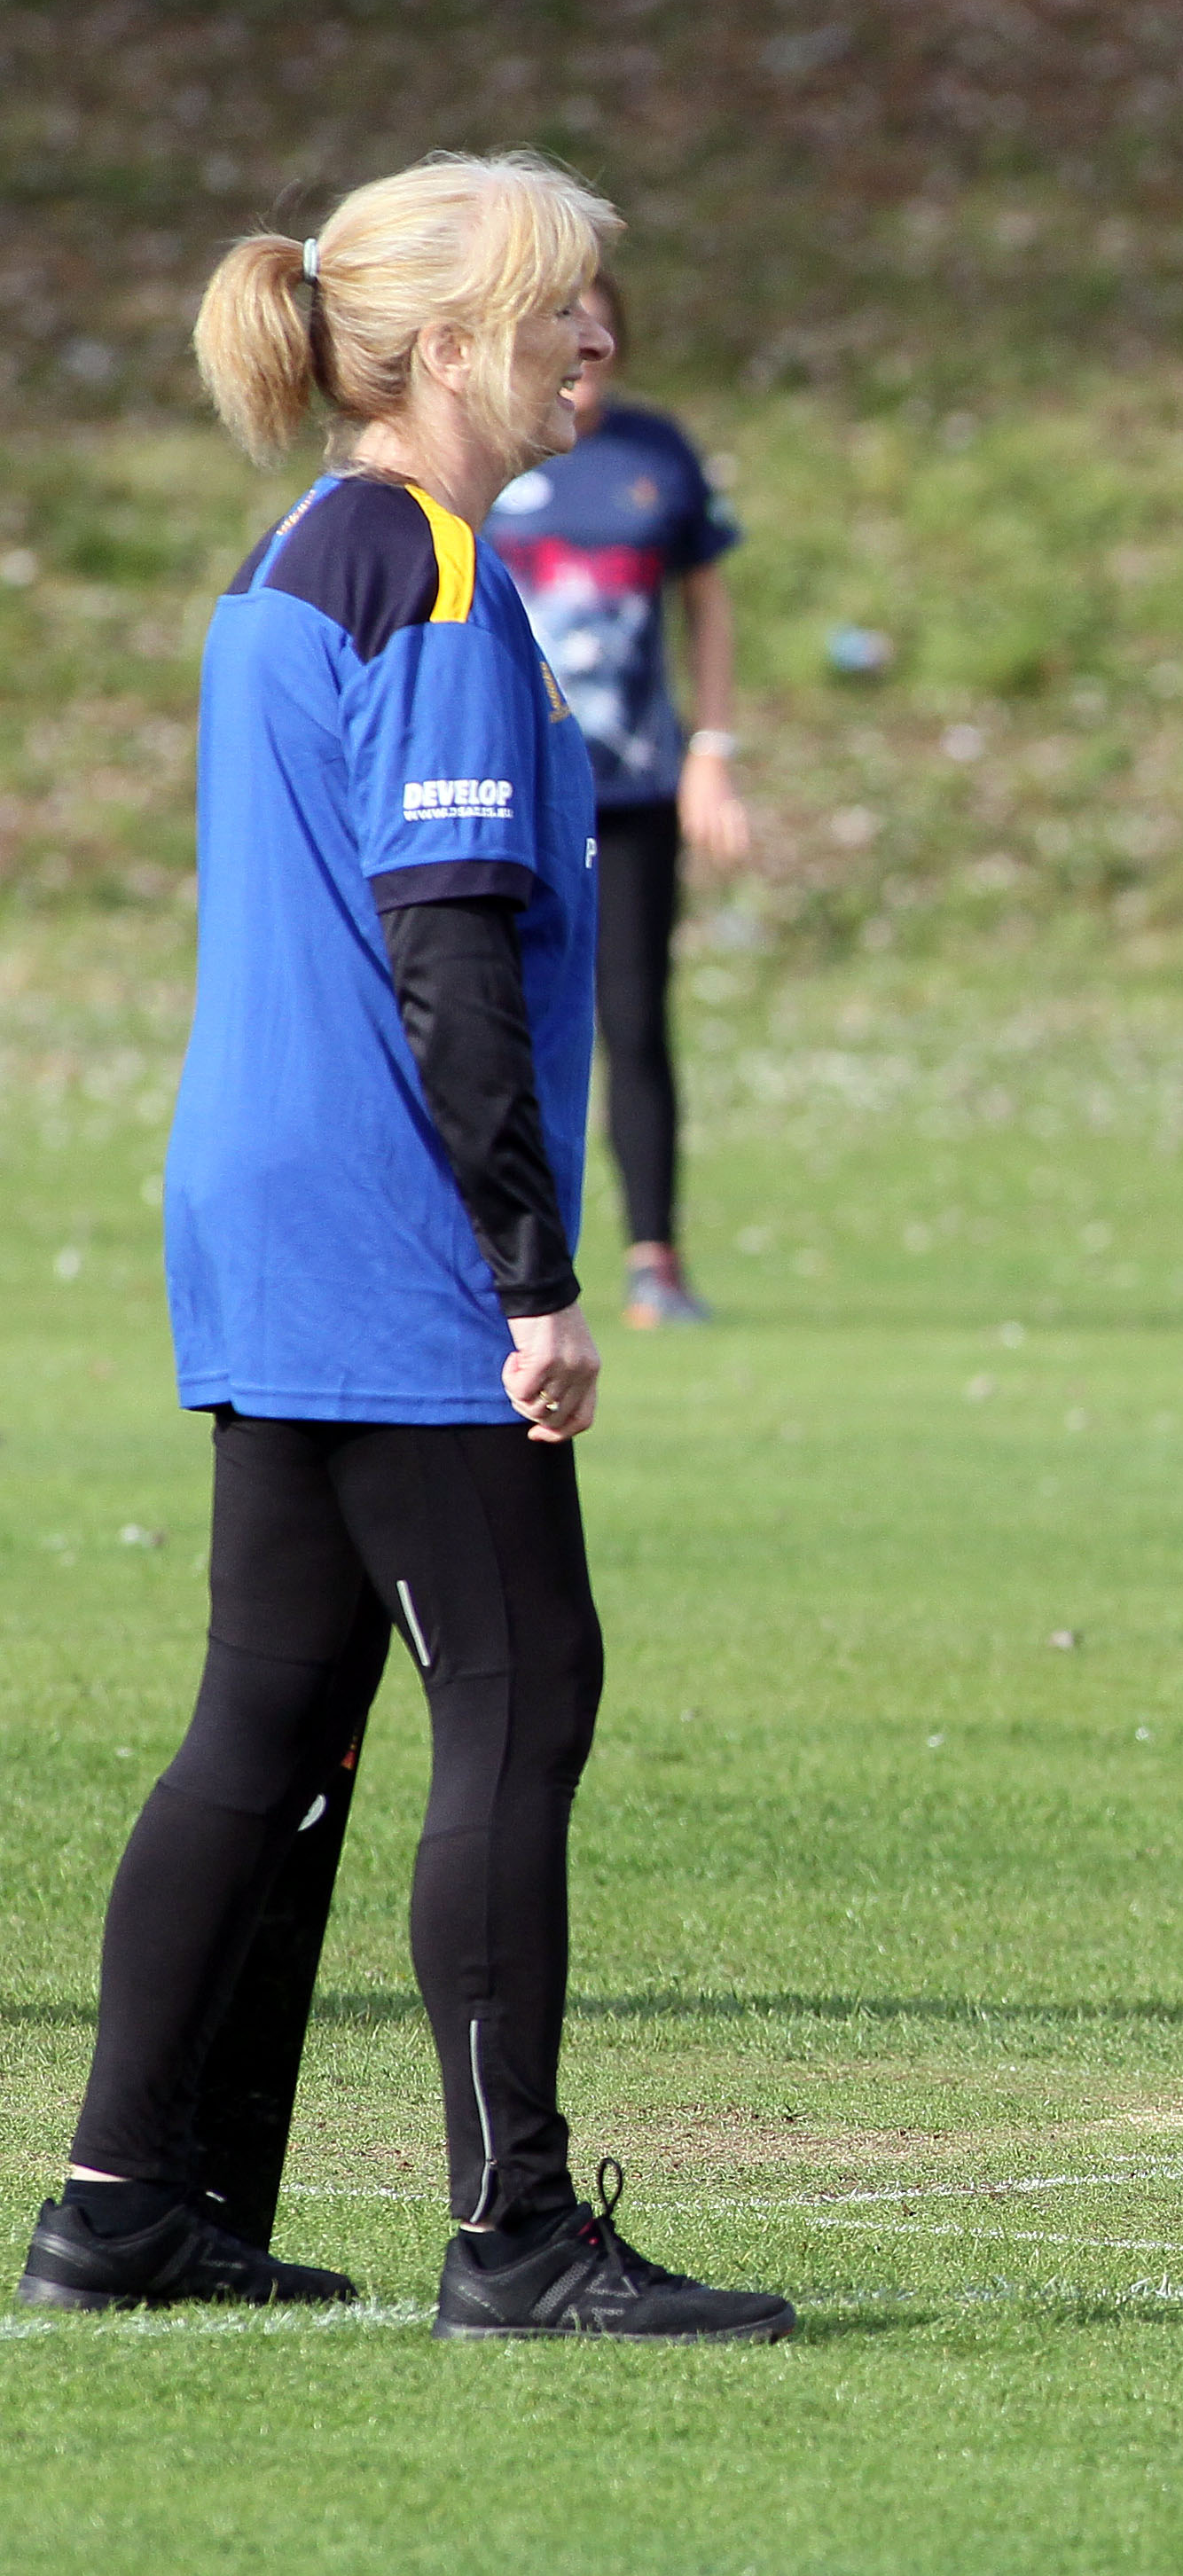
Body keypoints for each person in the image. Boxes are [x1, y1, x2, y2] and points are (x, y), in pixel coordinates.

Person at [16, 153, 792, 2340]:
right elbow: (446, 946)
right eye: (559, 308)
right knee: (525, 1694)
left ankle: (122, 2208)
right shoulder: (435, 576)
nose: (597, 340)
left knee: (265, 1714)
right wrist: (534, 1275)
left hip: (261, 1201)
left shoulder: (297, 552)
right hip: (390, 1225)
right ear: (444, 347)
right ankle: (516, 2236)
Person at [482, 269, 747, 1328]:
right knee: (486, 1010)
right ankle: (499, 1255)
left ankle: (655, 1263)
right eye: (560, 323)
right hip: (506, 787)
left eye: (595, 327)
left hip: (630, 788)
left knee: (633, 1020)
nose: (582, 347)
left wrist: (712, 750)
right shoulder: (490, 458)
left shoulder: (656, 454)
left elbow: (709, 605)